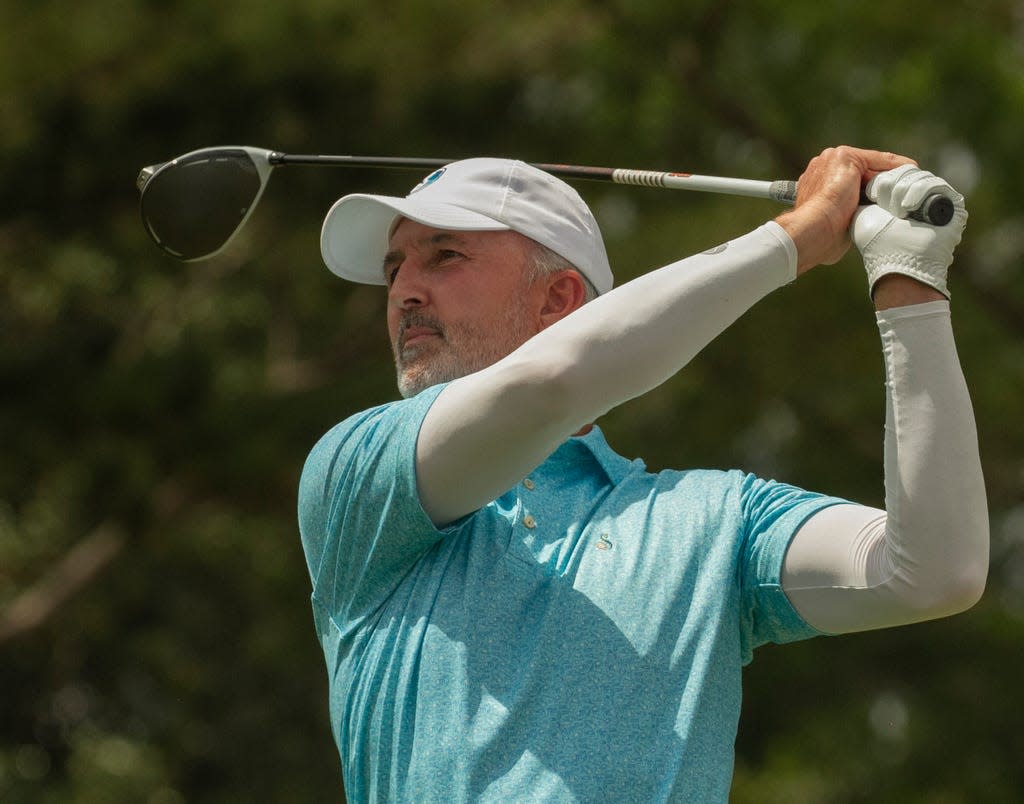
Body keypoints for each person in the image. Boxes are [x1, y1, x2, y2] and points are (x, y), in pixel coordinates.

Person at [298, 146, 988, 802]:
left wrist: (910, 279)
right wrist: (797, 238)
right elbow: (552, 383)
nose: (403, 293)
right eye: (394, 269)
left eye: (443, 256)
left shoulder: (714, 518)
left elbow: (931, 572)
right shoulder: (357, 471)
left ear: (559, 300)